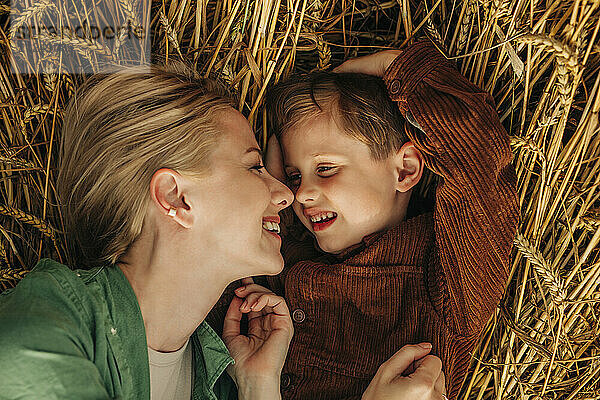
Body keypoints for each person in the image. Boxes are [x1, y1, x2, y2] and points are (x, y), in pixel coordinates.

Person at [0, 62, 446, 400]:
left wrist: (258, 387)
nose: (288, 196)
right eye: (255, 167)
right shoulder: (59, 320)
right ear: (176, 197)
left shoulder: (222, 373)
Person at [257, 38, 519, 399]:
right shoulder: (284, 251)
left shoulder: (445, 276)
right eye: (295, 175)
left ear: (405, 169)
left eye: (326, 168)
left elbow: (480, 165)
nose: (301, 194)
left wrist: (403, 71)